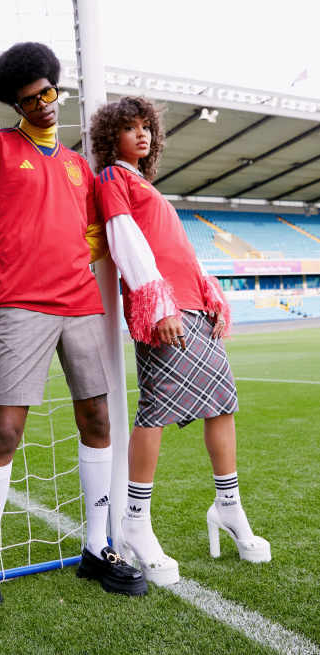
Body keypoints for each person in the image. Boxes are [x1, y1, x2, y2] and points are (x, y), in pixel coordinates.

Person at [0, 44, 146, 639]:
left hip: (80, 304)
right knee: (5, 431)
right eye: (30, 99)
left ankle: (97, 549)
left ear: (57, 90)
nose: (44, 105)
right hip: (21, 306)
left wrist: (76, 256)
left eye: (49, 94)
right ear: (16, 102)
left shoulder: (77, 166)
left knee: (98, 420)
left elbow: (96, 232)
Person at [91, 96, 271, 587]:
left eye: (146, 127)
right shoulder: (114, 179)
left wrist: (209, 293)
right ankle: (135, 521)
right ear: (112, 138)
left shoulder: (146, 183)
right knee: (155, 413)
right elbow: (124, 239)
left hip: (195, 306)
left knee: (222, 405)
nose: (142, 135)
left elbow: (180, 248)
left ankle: (228, 507)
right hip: (165, 310)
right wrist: (158, 300)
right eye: (130, 129)